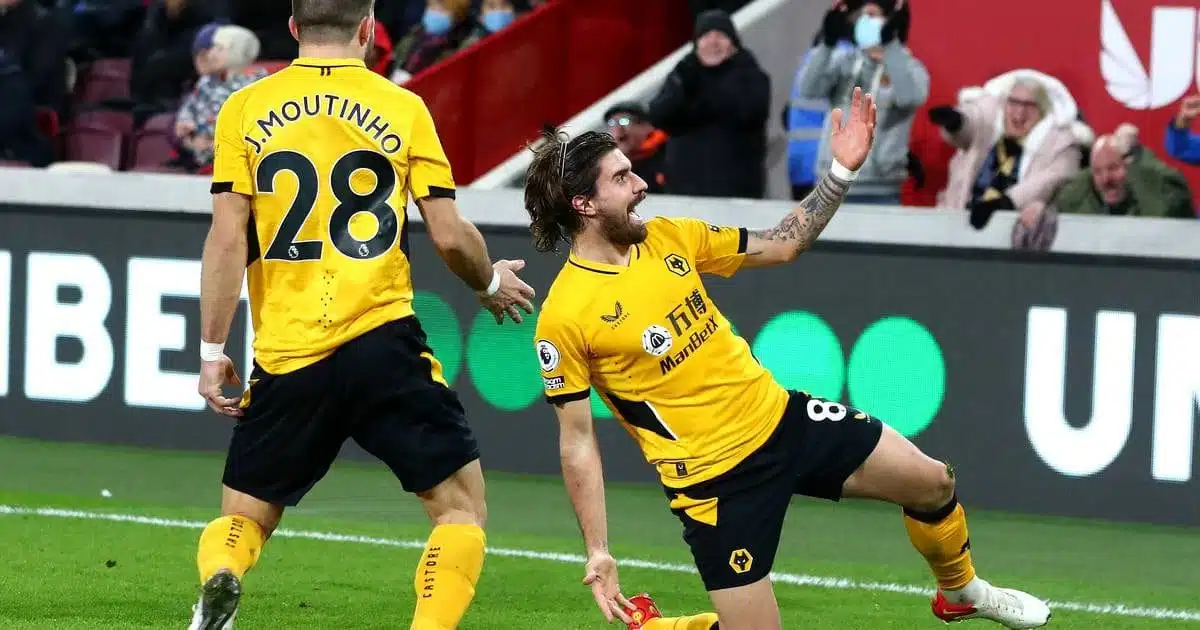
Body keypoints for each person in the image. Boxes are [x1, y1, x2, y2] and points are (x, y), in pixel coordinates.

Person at [524, 88, 1052, 630]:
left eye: (632, 171)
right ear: (584, 205)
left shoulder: (670, 237)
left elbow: (782, 243)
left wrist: (841, 171)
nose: (640, 184)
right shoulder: (566, 315)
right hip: (715, 485)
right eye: (621, 178)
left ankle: (962, 591)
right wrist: (598, 550)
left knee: (932, 482)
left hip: (783, 421)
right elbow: (577, 440)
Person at [190, 0, 536, 628]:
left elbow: (227, 239)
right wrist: (488, 281)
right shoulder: (403, 107)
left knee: (243, 515)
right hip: (383, 340)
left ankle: (224, 575)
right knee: (460, 509)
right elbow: (449, 234)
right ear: (369, 29)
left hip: (290, 349)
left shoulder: (244, 108)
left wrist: (213, 352)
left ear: (293, 28)